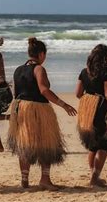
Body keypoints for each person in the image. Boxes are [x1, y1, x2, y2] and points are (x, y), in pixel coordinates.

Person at [8, 38, 76, 190]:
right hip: (38, 109)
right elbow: (44, 90)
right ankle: (45, 179)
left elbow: (15, 92)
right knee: (47, 143)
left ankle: (24, 180)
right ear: (41, 54)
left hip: (19, 108)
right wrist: (63, 105)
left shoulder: (18, 70)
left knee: (24, 143)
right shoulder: (39, 69)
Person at [75, 44, 107, 187]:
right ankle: (95, 178)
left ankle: (94, 175)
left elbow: (78, 94)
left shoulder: (84, 72)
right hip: (102, 110)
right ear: (105, 57)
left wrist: (89, 100)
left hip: (88, 111)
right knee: (104, 144)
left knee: (93, 145)